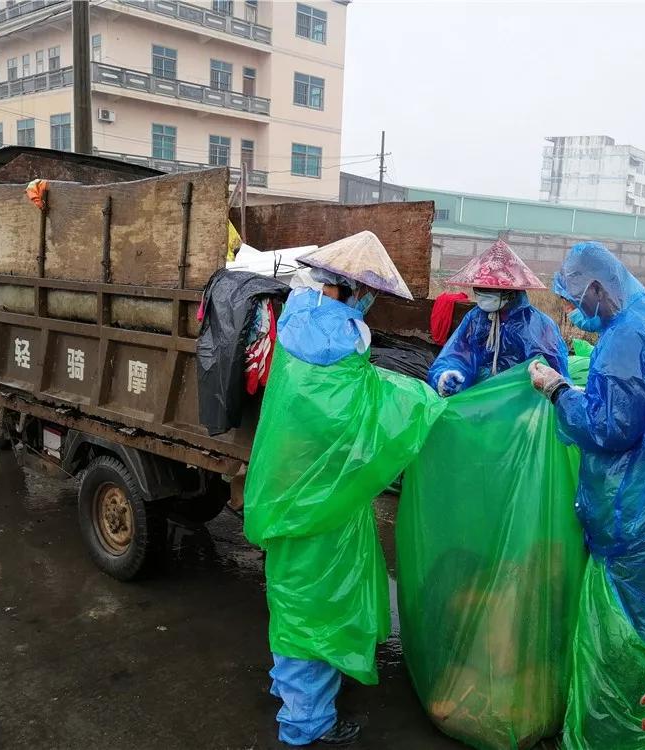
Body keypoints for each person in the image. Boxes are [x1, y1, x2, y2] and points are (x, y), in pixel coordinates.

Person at [243, 231, 444, 747]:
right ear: (351, 290)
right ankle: (306, 727)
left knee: (293, 597)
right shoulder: (348, 337)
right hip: (324, 498)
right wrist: (426, 400)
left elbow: (322, 405)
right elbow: (359, 412)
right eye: (365, 294)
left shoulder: (292, 318)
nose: (368, 303)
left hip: (287, 484)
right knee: (320, 605)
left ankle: (292, 691)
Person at [528, 241, 645, 749]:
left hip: (642, 512)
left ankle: (609, 739)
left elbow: (609, 428)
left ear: (596, 287)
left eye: (571, 297)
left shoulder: (626, 337)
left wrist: (558, 390)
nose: (570, 310)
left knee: (621, 643)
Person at [427, 239, 569, 396]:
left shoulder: (537, 325)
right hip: (478, 400)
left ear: (512, 290)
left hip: (520, 405)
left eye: (491, 289)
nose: (483, 293)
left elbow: (552, 372)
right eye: (480, 288)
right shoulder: (475, 319)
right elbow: (458, 352)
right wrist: (446, 375)